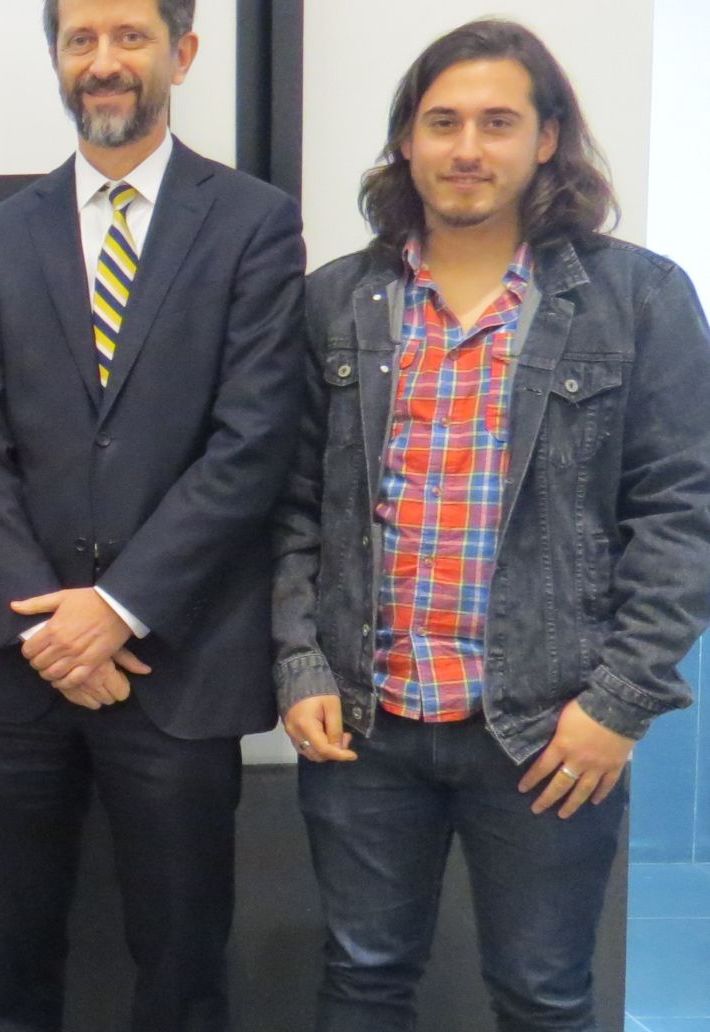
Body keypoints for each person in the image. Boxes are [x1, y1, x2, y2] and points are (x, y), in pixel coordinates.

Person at [273, 19, 710, 1031]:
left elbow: (682, 513)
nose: (466, 147)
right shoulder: (336, 301)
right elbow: (291, 507)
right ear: (406, 141)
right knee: (361, 980)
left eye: (497, 122)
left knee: (542, 996)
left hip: (549, 728)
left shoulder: (637, 298)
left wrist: (618, 704)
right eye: (442, 123)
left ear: (546, 138)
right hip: (366, 725)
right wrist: (299, 665)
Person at [0, 0, 307, 1028]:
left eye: (129, 37)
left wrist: (116, 608)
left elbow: (250, 443)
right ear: (57, 60)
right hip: (15, 674)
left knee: (182, 978)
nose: (103, 62)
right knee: (3, 975)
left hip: (174, 663)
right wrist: (50, 629)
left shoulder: (253, 223)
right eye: (80, 40)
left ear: (181, 54)